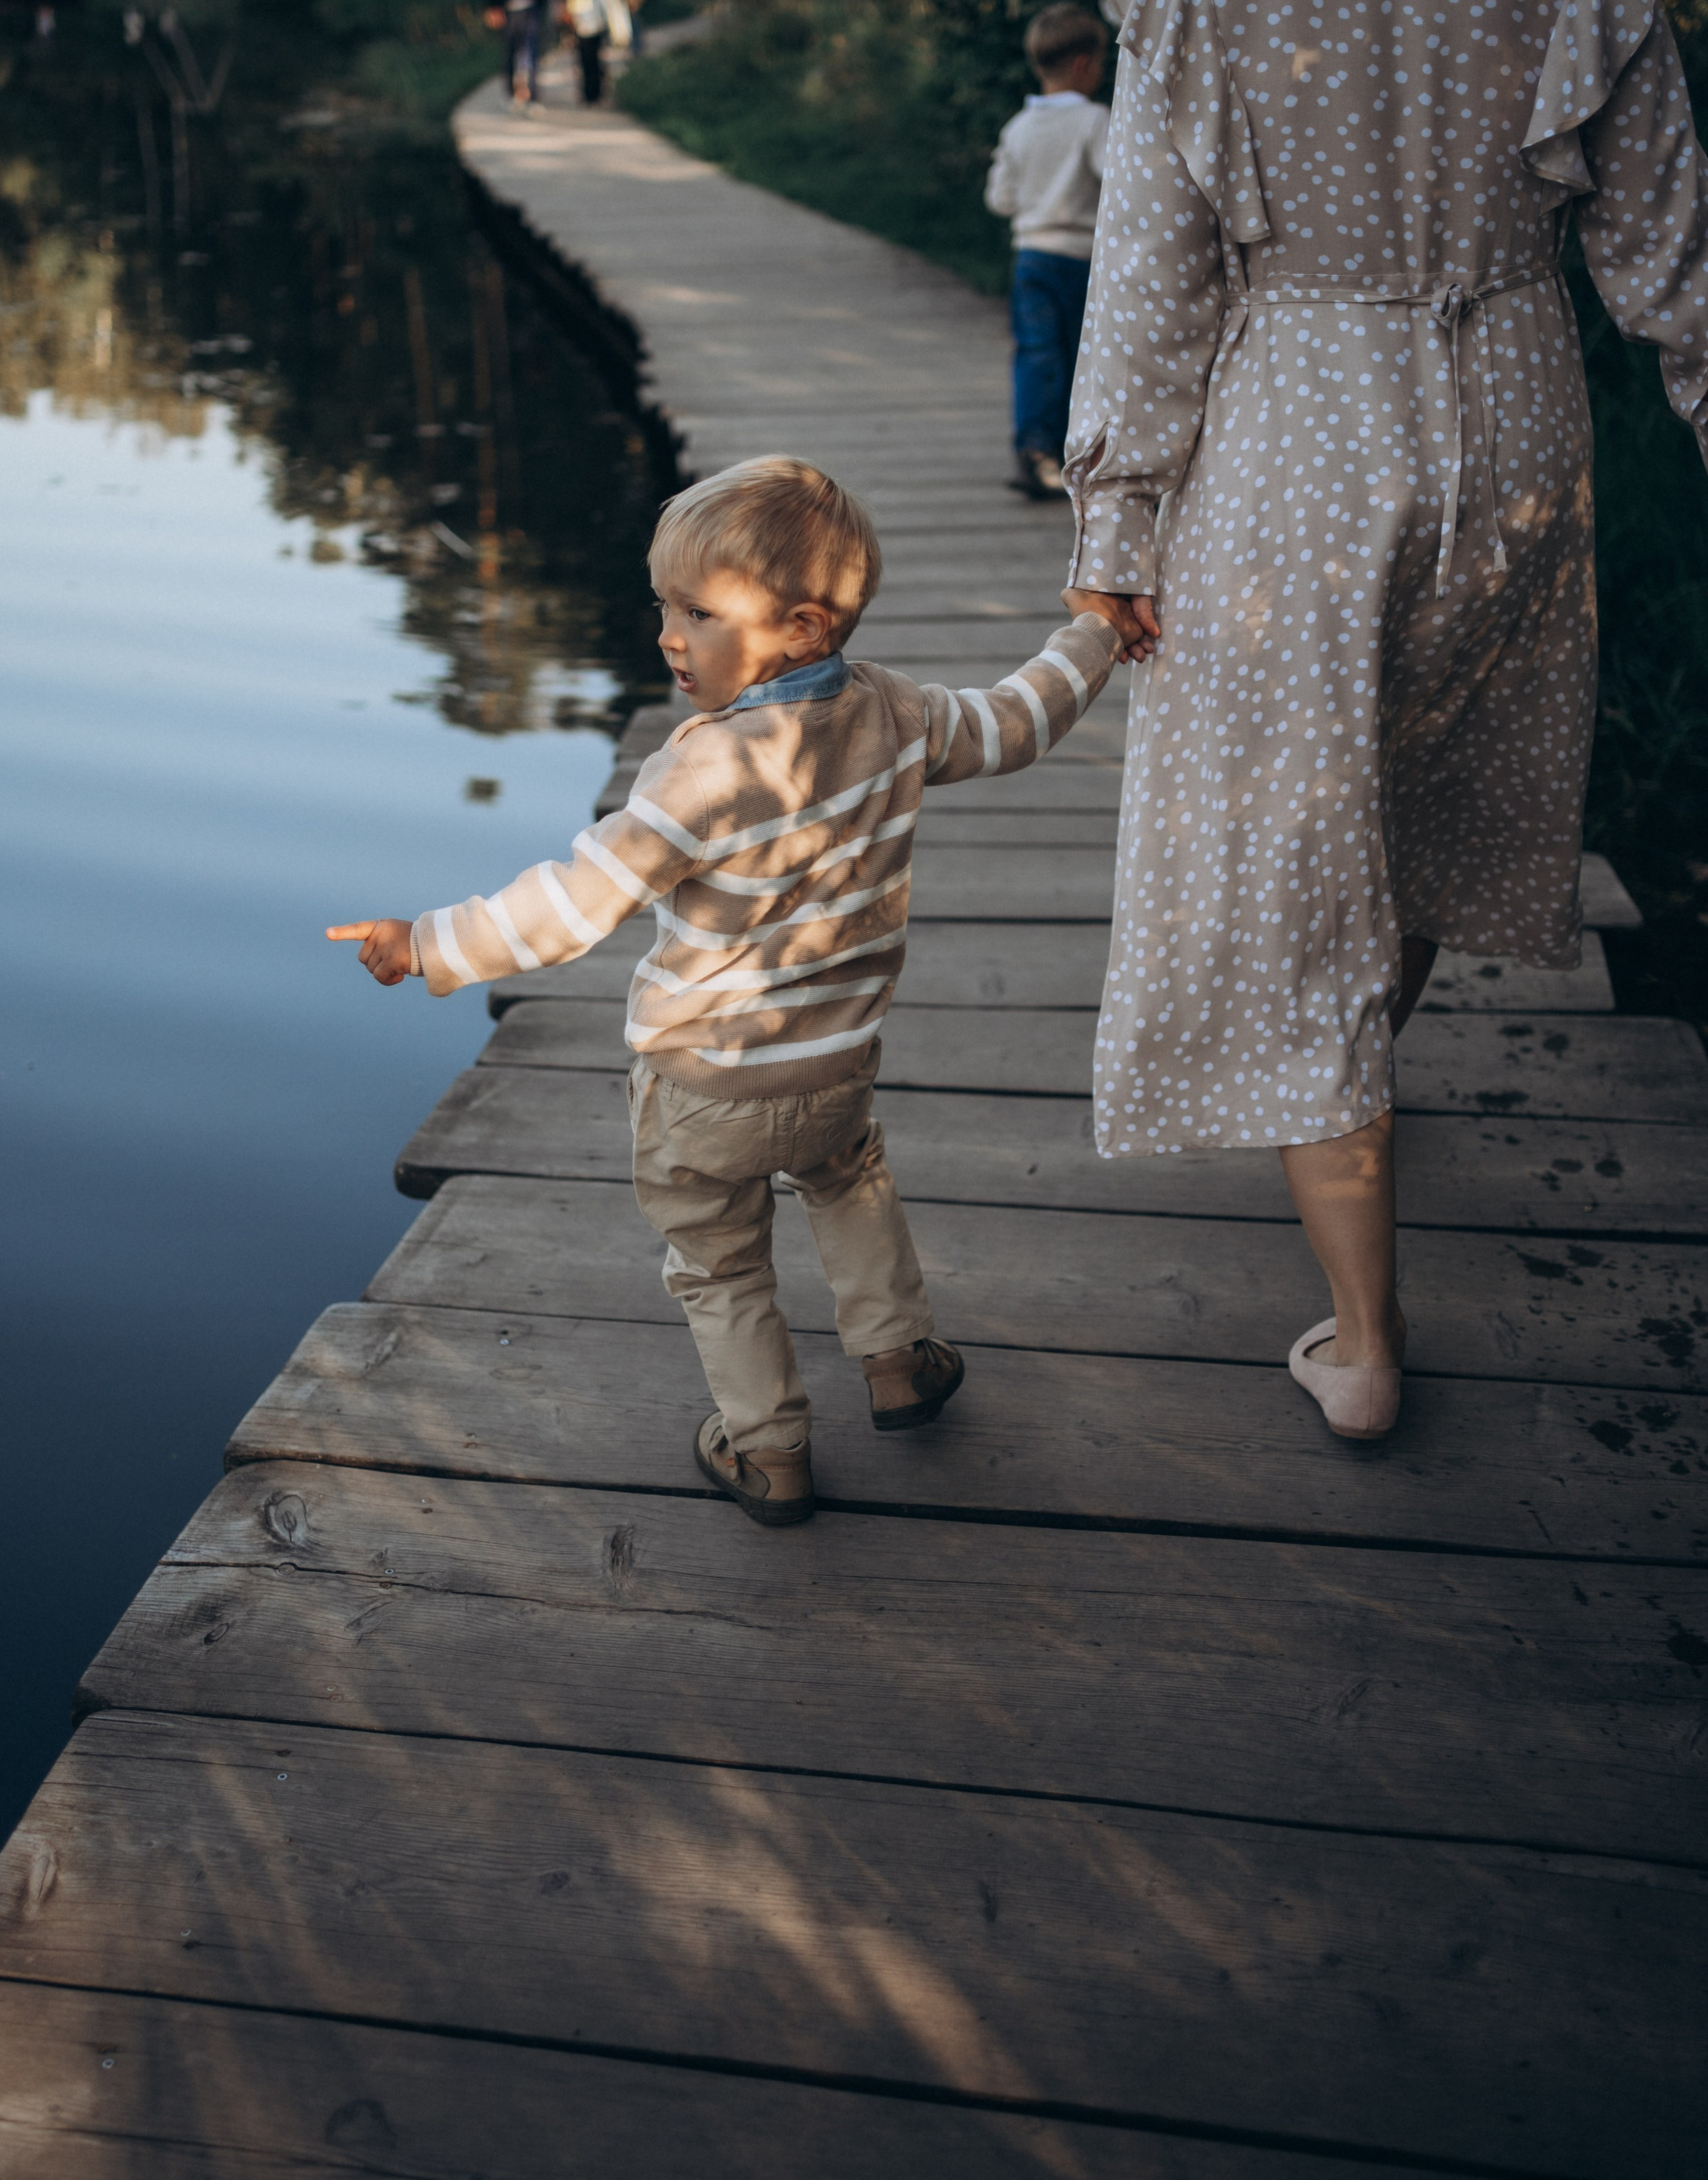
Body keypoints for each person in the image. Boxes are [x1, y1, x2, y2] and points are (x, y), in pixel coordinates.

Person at [1060, 0, 1708, 1444]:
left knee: (1291, 881)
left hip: (1296, 431)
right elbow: (1676, 241)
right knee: (1420, 823)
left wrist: (1115, 535)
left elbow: (1154, 261)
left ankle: (1364, 1341)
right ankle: (1349, 1066)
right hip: (1512, 417)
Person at [329, 457, 1132, 1525]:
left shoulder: (700, 770)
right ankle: (898, 1362)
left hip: (701, 1082)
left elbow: (574, 904)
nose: (669, 635)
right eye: (663, 606)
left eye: (698, 613)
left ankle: (769, 1451)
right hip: (835, 1061)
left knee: (718, 1265)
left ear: (801, 627)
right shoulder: (897, 712)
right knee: (848, 1183)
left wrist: (429, 943)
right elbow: (1015, 722)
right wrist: (1097, 633)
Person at [984, 4, 1109, 500]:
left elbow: (1000, 199)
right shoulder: (1095, 121)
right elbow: (1118, 184)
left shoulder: (1018, 127)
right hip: (1082, 261)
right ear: (1083, 64)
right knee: (1084, 357)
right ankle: (1078, 453)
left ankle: (1033, 451)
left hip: (1031, 258)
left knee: (1037, 353)